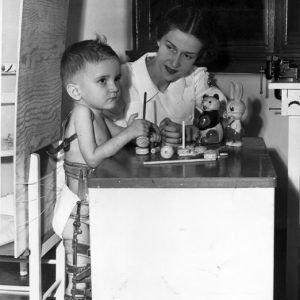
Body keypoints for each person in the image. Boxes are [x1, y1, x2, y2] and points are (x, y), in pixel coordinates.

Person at [51, 36, 154, 299]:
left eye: (116, 79)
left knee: (101, 273)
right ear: (76, 91)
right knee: (80, 281)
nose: (114, 87)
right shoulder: (81, 113)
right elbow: (94, 156)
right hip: (78, 213)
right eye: (102, 81)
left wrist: (142, 132)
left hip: (94, 204)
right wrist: (128, 133)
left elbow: (121, 137)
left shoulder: (96, 112)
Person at [112, 5, 226, 146]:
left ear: (198, 57)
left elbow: (230, 119)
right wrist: (130, 135)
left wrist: (192, 131)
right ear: (159, 39)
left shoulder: (196, 78)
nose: (175, 62)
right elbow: (95, 127)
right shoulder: (118, 77)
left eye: (187, 56)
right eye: (170, 47)